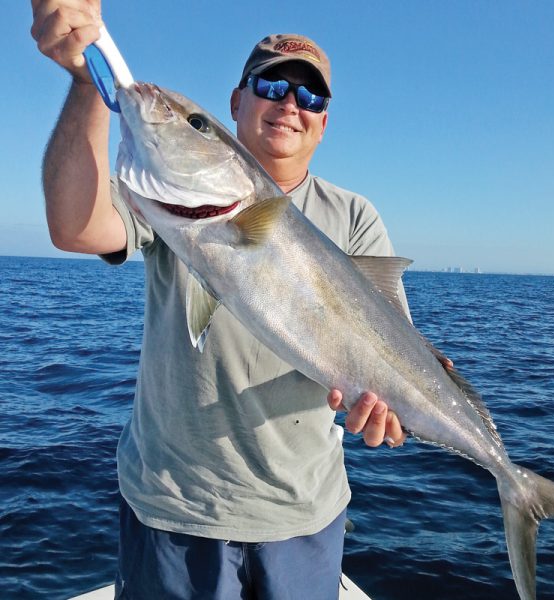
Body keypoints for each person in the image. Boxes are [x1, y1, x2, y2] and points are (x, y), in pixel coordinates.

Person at [31, 2, 411, 598]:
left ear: (323, 124)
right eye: (272, 85)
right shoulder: (160, 199)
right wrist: (86, 83)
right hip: (175, 509)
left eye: (310, 98)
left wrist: (389, 411)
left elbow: (393, 352)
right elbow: (75, 229)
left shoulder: (355, 218)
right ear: (237, 104)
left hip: (303, 516)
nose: (290, 104)